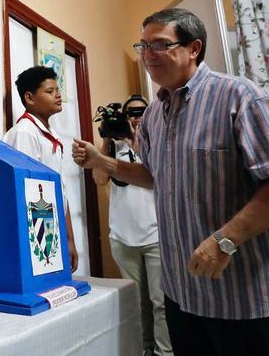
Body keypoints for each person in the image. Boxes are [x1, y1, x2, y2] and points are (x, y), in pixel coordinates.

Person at [73, 8, 269, 356]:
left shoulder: (239, 97)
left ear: (194, 48)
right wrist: (103, 162)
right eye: (142, 46)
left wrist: (224, 241)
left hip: (244, 297)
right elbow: (154, 176)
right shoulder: (155, 114)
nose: (147, 55)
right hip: (182, 294)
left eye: (159, 45)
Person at [93, 94, 171, 356]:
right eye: (131, 113)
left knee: (160, 302)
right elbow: (100, 178)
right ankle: (143, 349)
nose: (136, 117)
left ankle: (164, 352)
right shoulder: (113, 147)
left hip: (156, 235)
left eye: (141, 112)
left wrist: (136, 140)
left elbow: (160, 175)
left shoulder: (157, 141)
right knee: (137, 303)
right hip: (123, 237)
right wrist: (107, 138)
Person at [3, 66, 79, 272]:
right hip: (38, 235)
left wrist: (68, 238)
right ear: (29, 97)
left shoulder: (49, 134)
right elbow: (26, 194)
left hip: (52, 230)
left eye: (58, 90)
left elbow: (60, 192)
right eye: (50, 91)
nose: (58, 95)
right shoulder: (26, 133)